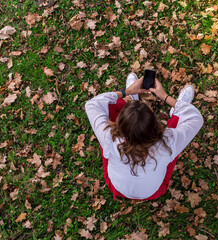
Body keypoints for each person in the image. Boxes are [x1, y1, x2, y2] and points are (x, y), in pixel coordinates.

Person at [85, 72, 204, 200]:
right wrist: (164, 96)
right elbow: (195, 118)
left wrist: (127, 91)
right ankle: (178, 110)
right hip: (155, 191)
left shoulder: (109, 138)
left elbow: (92, 104)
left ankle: (130, 98)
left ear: (120, 126)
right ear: (155, 125)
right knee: (173, 147)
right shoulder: (166, 144)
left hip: (116, 188)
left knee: (107, 122)